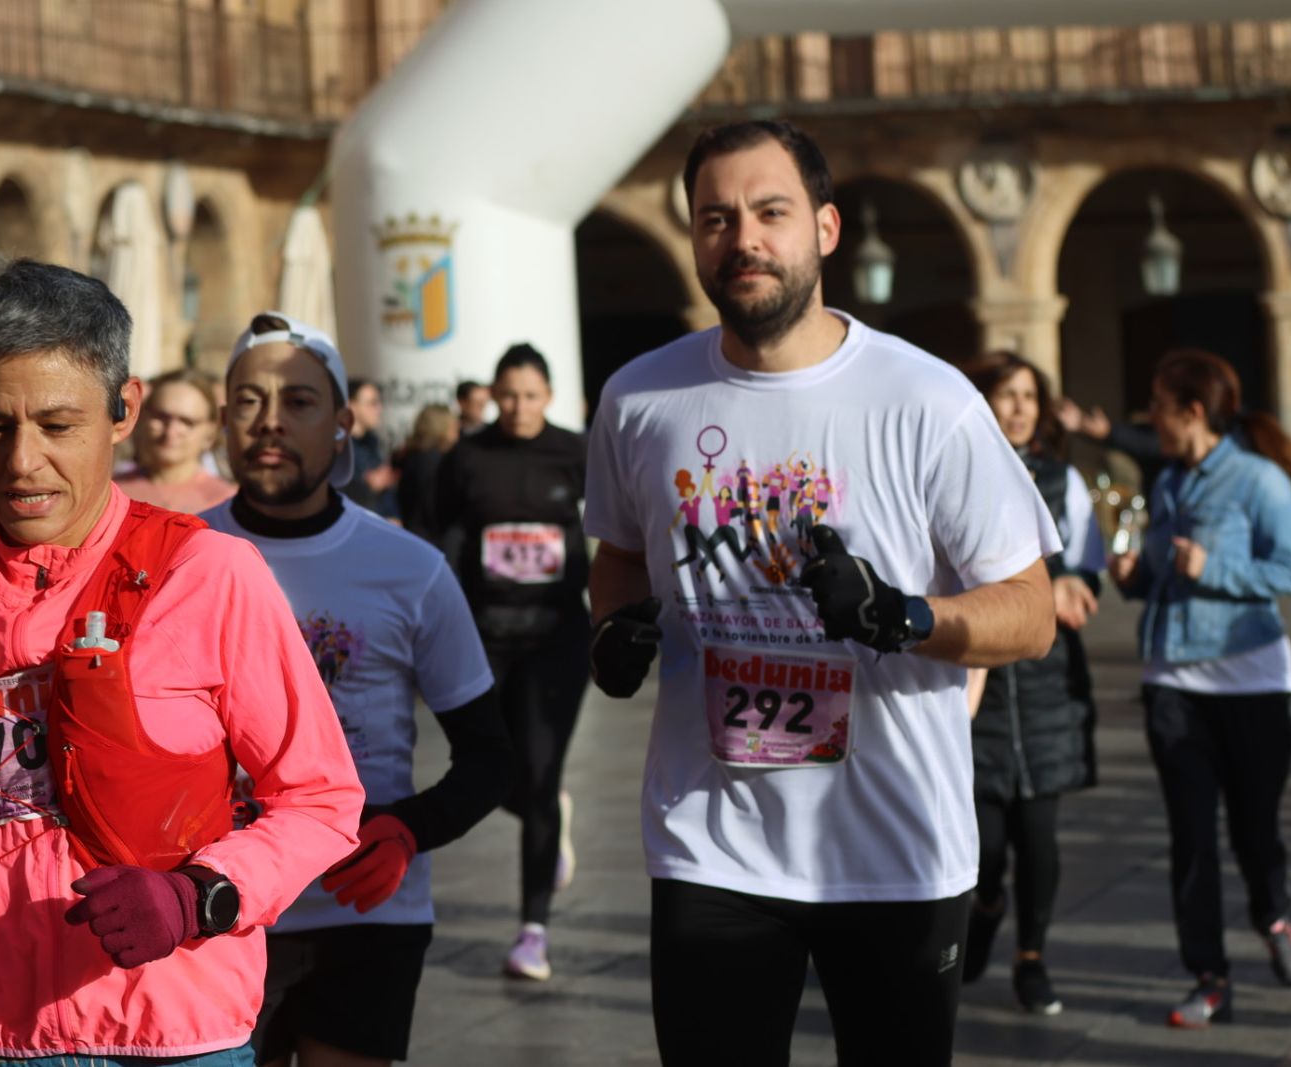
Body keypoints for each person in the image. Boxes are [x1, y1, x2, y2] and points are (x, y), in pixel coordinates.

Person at [0, 260, 364, 1067]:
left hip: (174, 1039)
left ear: (123, 409)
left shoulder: (211, 577)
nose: (22, 461)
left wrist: (197, 894)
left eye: (58, 425)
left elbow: (319, 797)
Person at [582, 119, 1058, 1066]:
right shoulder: (638, 400)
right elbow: (621, 559)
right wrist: (612, 631)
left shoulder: (929, 401)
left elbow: (1032, 610)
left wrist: (906, 616)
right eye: (715, 218)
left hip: (893, 846)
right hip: (711, 843)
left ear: (826, 229)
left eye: (771, 212)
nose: (743, 239)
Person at [200, 311, 512, 1067]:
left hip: (366, 914)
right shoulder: (180, 558)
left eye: (299, 402)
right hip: (216, 909)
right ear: (223, 418)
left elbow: (489, 756)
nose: (270, 421)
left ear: (343, 423)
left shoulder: (409, 567)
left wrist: (409, 829)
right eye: (248, 400)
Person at [1108, 348, 1291, 1028]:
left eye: (1158, 407)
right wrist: (1133, 574)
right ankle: (1209, 976)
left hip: (1250, 678)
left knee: (1255, 829)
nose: (1150, 420)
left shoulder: (1258, 481)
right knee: (1191, 837)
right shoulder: (1166, 484)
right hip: (1173, 680)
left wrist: (1213, 562)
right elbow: (1162, 577)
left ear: (1191, 411)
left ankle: (1273, 915)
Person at [437, 343, 589, 981]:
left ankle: (533, 932)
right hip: (484, 638)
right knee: (490, 769)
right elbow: (437, 540)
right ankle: (546, 811)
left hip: (556, 640)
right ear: (493, 396)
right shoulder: (467, 458)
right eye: (509, 396)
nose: (520, 407)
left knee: (542, 759)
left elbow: (618, 533)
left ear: (548, 397)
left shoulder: (576, 452)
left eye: (531, 396)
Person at [959, 351, 1105, 1016]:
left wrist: (1079, 581)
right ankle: (987, 905)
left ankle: (1032, 961)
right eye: (1005, 394)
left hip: (1046, 683)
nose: (1019, 407)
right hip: (974, 681)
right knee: (986, 845)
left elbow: (1085, 562)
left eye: (1028, 395)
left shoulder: (1062, 479)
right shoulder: (957, 472)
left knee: (1039, 837)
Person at [115, 367, 237, 514]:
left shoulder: (226, 503)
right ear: (142, 418)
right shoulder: (112, 494)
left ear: (210, 433)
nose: (171, 431)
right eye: (161, 417)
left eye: (187, 422)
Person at [395, 403, 458, 547]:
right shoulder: (432, 461)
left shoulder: (413, 456)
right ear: (440, 428)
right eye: (453, 425)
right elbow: (433, 508)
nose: (457, 430)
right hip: (429, 541)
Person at [344, 379, 398, 519]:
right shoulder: (336, 449)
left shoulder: (373, 442)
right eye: (372, 403)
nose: (379, 409)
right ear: (351, 405)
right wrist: (367, 486)